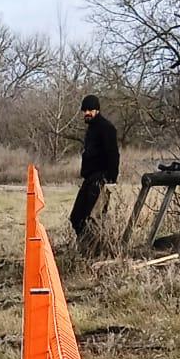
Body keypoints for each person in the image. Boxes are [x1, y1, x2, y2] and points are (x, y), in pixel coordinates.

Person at [70, 95, 119, 247]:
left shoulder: (107, 128)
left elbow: (113, 154)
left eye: (90, 110)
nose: (87, 113)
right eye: (84, 110)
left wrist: (111, 180)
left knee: (93, 218)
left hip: (101, 179)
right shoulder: (91, 129)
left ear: (97, 110)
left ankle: (93, 251)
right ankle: (84, 249)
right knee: (76, 217)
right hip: (90, 179)